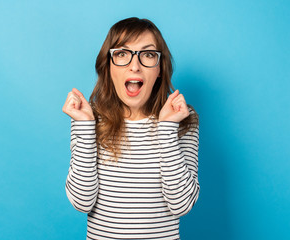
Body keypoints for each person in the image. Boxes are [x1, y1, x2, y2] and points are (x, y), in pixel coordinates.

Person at [62, 17, 200, 240]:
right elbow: (81, 201)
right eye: (122, 54)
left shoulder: (181, 118)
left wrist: (166, 129)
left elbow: (181, 205)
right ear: (108, 67)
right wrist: (85, 127)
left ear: (159, 69)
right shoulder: (90, 118)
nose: (134, 66)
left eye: (147, 54)